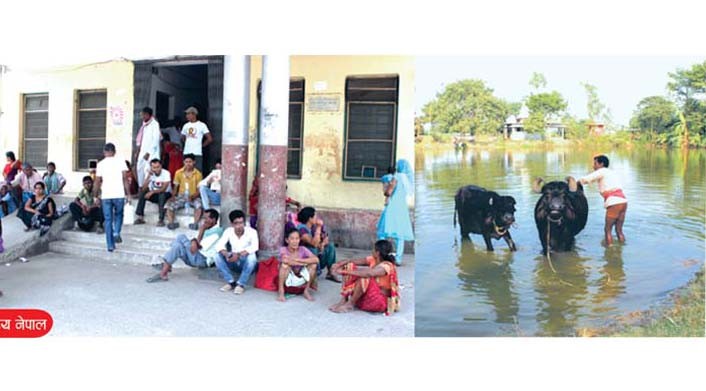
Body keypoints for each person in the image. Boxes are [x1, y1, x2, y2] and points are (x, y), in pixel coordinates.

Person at [146, 209, 224, 283]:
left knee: (181, 237)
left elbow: (198, 247)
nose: (204, 221)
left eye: (206, 218)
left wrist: (199, 234)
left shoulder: (217, 232)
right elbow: (195, 246)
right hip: (195, 256)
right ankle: (164, 272)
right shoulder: (209, 229)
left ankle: (167, 265)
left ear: (213, 220)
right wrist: (195, 240)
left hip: (202, 259)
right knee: (177, 246)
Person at [329, 239, 400, 315]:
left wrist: (342, 272)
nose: (372, 251)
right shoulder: (374, 259)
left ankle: (350, 304)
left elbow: (369, 274)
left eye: (373, 249)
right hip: (367, 296)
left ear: (377, 253)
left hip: (378, 301)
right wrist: (338, 265)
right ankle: (344, 299)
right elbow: (352, 261)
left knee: (365, 277)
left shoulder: (386, 266)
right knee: (348, 266)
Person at [579, 154, 628, 246]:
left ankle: (610, 251)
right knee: (619, 230)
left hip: (614, 202)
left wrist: (576, 182)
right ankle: (621, 247)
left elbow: (586, 179)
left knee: (607, 230)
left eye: (595, 163)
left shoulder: (602, 171)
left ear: (601, 164)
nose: (593, 166)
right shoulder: (611, 173)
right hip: (623, 201)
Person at [376, 159, 415, 265]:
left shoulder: (396, 177)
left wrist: (386, 188)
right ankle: (398, 259)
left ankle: (381, 256)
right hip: (402, 208)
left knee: (382, 231)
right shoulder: (406, 179)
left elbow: (388, 192)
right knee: (400, 234)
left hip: (392, 207)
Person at [94, 143, 131, 252]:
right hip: (119, 194)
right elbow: (125, 179)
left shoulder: (100, 164)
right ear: (114, 152)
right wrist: (128, 194)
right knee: (119, 214)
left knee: (108, 219)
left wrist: (95, 196)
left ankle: (110, 245)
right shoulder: (121, 162)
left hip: (106, 195)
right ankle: (116, 232)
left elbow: (97, 181)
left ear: (104, 152)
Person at [214, 210, 259, 295]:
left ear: (244, 222)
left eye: (241, 223)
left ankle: (241, 284)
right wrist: (226, 254)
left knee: (252, 257)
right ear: (232, 224)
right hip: (233, 260)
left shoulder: (252, 232)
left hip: (245, 262)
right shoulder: (228, 231)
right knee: (216, 256)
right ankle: (230, 282)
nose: (239, 226)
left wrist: (238, 255)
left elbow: (255, 247)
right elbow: (219, 246)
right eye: (236, 223)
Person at [296, 206, 339, 283]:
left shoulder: (313, 227)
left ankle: (331, 272)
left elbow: (325, 238)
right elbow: (314, 243)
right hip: (304, 259)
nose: (317, 218)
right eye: (315, 216)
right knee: (312, 249)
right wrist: (319, 227)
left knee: (330, 246)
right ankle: (313, 273)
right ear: (310, 218)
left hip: (317, 255)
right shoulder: (301, 229)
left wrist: (322, 244)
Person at [277, 227, 319, 302]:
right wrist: (305, 262)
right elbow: (286, 260)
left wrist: (298, 260)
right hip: (289, 276)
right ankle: (281, 291)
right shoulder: (283, 249)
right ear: (287, 240)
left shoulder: (302, 249)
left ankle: (306, 291)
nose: (295, 241)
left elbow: (316, 259)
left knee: (313, 265)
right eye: (292, 239)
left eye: (297, 238)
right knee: (284, 265)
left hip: (300, 274)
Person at [165, 154, 203, 230]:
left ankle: (195, 224)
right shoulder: (178, 172)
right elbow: (176, 187)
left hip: (193, 196)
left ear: (194, 162)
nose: (188, 164)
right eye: (186, 162)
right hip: (181, 196)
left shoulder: (198, 174)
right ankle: (171, 223)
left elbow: (200, 189)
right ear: (183, 162)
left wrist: (193, 197)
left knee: (199, 206)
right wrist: (173, 197)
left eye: (190, 162)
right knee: (168, 205)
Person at [134, 159, 172, 227]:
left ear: (161, 166)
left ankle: (161, 219)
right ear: (151, 167)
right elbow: (143, 188)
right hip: (154, 194)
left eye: (158, 167)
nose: (156, 169)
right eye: (154, 167)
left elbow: (163, 189)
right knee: (142, 193)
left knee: (162, 195)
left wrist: (152, 192)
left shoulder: (166, 173)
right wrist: (148, 177)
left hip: (166, 194)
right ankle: (140, 217)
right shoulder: (150, 174)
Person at [135, 107, 162, 189]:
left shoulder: (155, 124)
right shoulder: (144, 125)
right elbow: (141, 140)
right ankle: (141, 188)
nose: (142, 117)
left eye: (143, 115)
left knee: (148, 171)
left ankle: (148, 190)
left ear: (147, 115)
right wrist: (138, 151)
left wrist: (149, 152)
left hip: (151, 153)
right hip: (142, 151)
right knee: (140, 169)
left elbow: (156, 139)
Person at [180, 106, 213, 172]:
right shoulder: (186, 125)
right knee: (186, 172)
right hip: (187, 152)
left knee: (197, 172)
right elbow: (182, 137)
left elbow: (210, 139)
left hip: (197, 153)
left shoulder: (202, 125)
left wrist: (201, 145)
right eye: (186, 114)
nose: (187, 116)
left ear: (194, 114)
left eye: (188, 114)